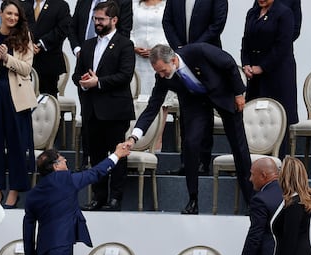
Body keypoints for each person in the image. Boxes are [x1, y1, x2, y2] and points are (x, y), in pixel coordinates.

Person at [124, 44, 252, 214]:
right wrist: (134, 136)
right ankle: (193, 200)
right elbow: (152, 108)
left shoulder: (198, 52)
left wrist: (238, 93)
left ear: (174, 60)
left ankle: (252, 200)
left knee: (238, 147)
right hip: (195, 103)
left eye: (163, 70)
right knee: (190, 145)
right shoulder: (163, 76)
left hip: (222, 94)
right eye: (158, 72)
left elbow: (228, 63)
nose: (161, 75)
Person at [23, 143, 130, 255]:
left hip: (43, 251)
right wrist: (117, 155)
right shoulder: (67, 179)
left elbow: (28, 227)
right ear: (56, 166)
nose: (66, 160)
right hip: (61, 247)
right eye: (62, 159)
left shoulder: (33, 194)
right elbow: (95, 173)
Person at [72, 0, 135, 211]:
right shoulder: (88, 45)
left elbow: (125, 76)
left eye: (101, 19)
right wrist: (83, 81)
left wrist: (98, 82)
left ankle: (115, 198)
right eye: (95, 19)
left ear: (114, 20)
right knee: (96, 155)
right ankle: (99, 197)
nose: (97, 23)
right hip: (92, 110)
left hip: (115, 110)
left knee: (117, 154)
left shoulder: (125, 44)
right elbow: (75, 74)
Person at [0, 0, 38, 208]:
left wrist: (6, 58)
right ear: (1, 13)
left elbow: (26, 68)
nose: (12, 18)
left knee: (17, 145)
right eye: (9, 13)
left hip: (16, 98)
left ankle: (15, 190)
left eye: (16, 15)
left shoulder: (24, 36)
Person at [162, 0, 228, 175]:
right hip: (181, 59)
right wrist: (179, 48)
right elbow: (167, 21)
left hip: (206, 59)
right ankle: (187, 162)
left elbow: (217, 24)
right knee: (185, 112)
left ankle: (203, 162)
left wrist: (193, 48)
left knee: (204, 112)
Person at [241, 0, 298, 159]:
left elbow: (283, 45)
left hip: (277, 75)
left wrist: (263, 67)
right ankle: (255, 169)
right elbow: (246, 41)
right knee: (255, 118)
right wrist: (246, 63)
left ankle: (277, 167)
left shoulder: (284, 13)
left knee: (277, 120)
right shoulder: (252, 13)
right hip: (255, 77)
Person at [130, 0, 176, 152]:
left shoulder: (168, 5)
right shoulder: (135, 5)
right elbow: (129, 29)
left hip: (160, 59)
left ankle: (156, 145)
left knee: (160, 102)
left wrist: (158, 50)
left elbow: (171, 30)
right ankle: (135, 143)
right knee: (137, 100)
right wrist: (133, 46)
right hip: (137, 59)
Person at [271, 156, 311, 255]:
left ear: (286, 176)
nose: (278, 174)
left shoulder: (294, 205)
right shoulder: (294, 200)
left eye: (281, 170)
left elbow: (290, 242)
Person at [236, 157, 282, 255]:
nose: (250, 179)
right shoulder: (289, 192)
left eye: (252, 174)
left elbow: (255, 236)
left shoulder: (260, 200)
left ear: (263, 175)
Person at [23, 0, 71, 98]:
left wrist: (41, 44)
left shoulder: (61, 5)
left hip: (49, 64)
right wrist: (27, 44)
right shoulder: (22, 4)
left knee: (46, 102)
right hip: (23, 61)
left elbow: (63, 29)